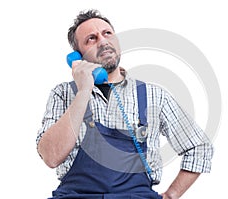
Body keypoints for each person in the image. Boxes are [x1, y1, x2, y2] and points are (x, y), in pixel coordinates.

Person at [36, 9, 214, 199]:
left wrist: (171, 195)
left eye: (107, 33)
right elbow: (51, 156)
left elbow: (199, 147)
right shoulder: (63, 94)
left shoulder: (154, 96)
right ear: (78, 57)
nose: (103, 41)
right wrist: (83, 91)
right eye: (91, 39)